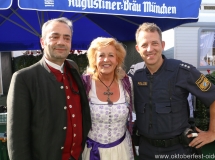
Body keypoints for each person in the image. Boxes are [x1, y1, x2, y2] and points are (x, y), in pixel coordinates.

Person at [128, 22, 215, 160]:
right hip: (146, 150)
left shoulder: (183, 71)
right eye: (144, 45)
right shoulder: (134, 73)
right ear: (137, 48)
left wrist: (213, 132)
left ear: (163, 45)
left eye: (155, 43)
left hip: (178, 149)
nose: (150, 49)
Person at [7, 17, 91, 160]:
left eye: (66, 38)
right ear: (42, 42)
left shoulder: (73, 67)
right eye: (54, 37)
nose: (61, 42)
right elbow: (17, 137)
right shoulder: (23, 78)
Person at [81, 37, 134, 160]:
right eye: (101, 55)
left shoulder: (127, 83)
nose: (106, 60)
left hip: (122, 150)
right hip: (92, 152)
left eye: (111, 55)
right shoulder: (85, 83)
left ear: (117, 60)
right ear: (94, 59)